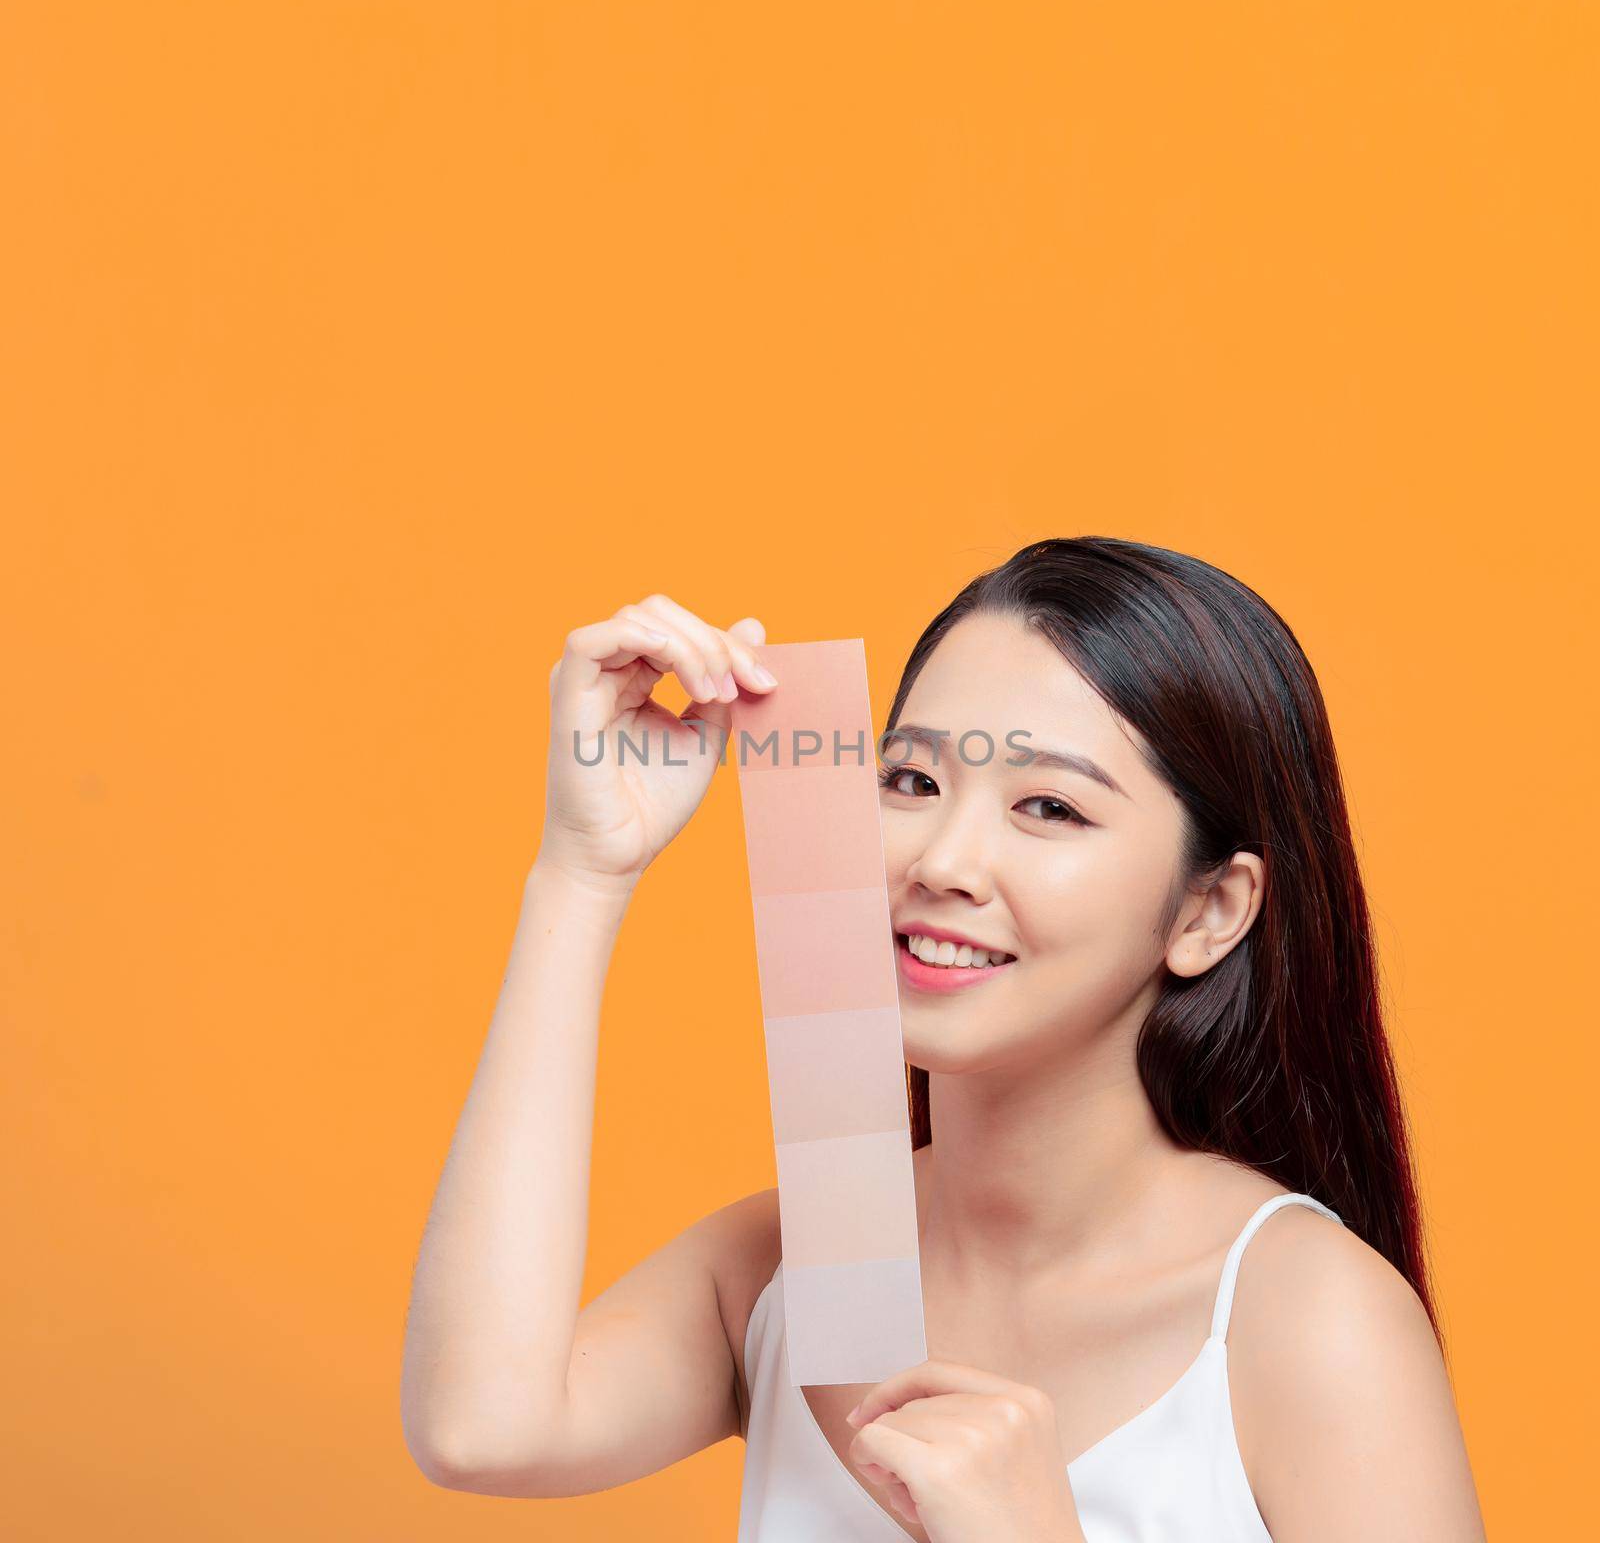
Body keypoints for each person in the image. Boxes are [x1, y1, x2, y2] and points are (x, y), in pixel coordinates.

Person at [400, 537, 1486, 1541]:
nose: (944, 861)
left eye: (1049, 808)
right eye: (911, 781)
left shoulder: (1301, 1320)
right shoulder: (796, 1261)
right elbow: (480, 1427)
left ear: (1208, 910)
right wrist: (585, 868)